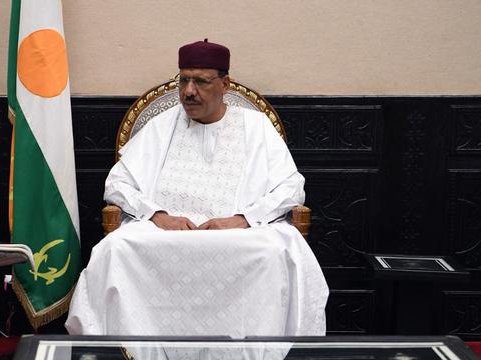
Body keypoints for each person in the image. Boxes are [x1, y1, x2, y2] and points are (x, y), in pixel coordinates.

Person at [65, 40, 328, 338]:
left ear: (224, 84)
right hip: (165, 235)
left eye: (201, 81)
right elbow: (117, 184)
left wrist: (242, 219)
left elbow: (291, 187)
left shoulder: (256, 126)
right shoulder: (161, 125)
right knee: (115, 248)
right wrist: (157, 215)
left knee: (272, 251)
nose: (189, 91)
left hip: (240, 235)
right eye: (184, 81)